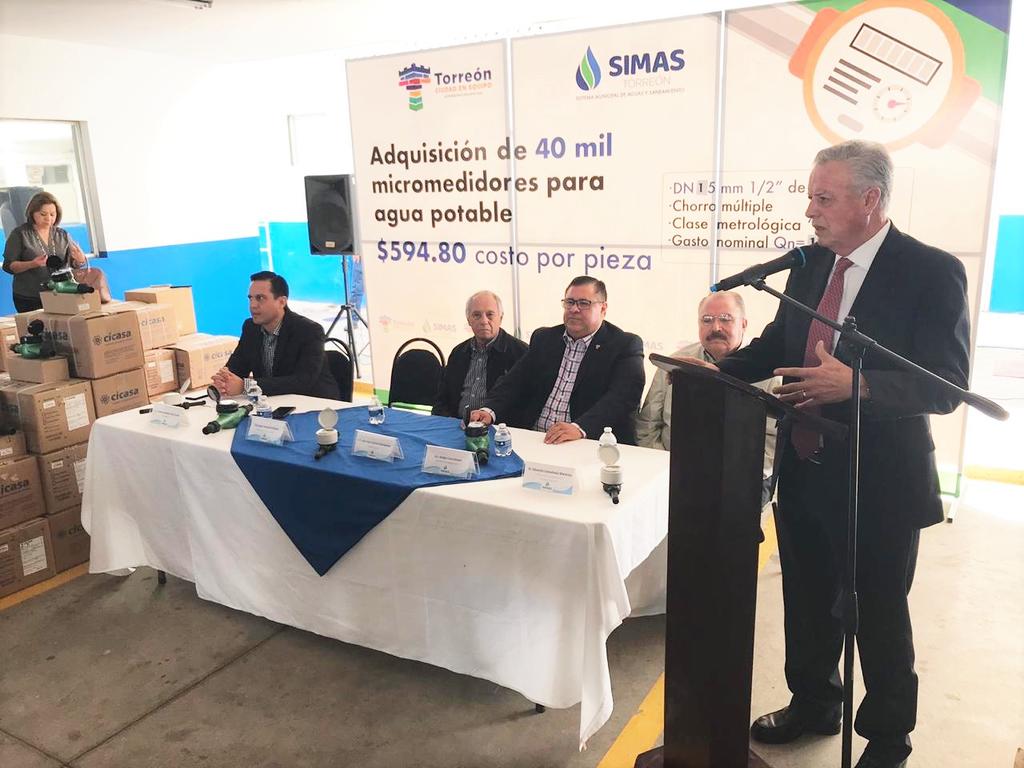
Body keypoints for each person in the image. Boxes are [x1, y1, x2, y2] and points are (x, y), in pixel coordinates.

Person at [686, 141, 969, 768]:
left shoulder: (931, 271)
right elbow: (777, 344)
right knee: (808, 600)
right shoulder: (812, 264)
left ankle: (888, 738)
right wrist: (713, 370)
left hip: (878, 480)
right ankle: (815, 702)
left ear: (870, 200)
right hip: (805, 465)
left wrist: (859, 386)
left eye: (824, 198)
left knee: (878, 614)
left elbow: (948, 383)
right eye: (810, 196)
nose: (810, 210)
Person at [636, 290, 779, 499]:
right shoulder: (676, 363)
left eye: (726, 319)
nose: (716, 327)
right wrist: (665, 468)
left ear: (744, 324)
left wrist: (732, 477)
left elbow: (773, 444)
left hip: (739, 481)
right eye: (707, 320)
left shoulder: (768, 373)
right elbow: (648, 425)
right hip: (673, 474)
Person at [470, 275, 645, 445]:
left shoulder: (624, 345)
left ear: (603, 309)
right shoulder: (545, 338)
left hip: (586, 442)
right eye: (570, 302)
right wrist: (489, 410)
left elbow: (622, 398)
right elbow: (514, 381)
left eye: (584, 303)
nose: (574, 309)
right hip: (535, 438)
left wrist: (580, 428)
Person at [212, 271, 340, 400]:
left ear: (281, 302)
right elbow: (237, 367)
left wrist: (246, 386)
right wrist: (224, 379)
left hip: (314, 403)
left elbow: (303, 381)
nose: (253, 305)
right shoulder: (251, 327)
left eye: (260, 298)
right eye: (250, 298)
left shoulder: (309, 330)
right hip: (270, 403)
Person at [2, 191, 111, 312]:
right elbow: (8, 266)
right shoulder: (20, 234)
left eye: (52, 214)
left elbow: (73, 264)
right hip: (30, 297)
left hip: (61, 294)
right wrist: (32, 264)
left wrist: (80, 260)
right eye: (43, 214)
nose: (48, 218)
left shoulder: (62, 234)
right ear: (32, 213)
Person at [431, 290, 528, 420]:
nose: (484, 321)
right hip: (455, 425)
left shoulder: (520, 353)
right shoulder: (458, 353)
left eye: (490, 314)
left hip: (498, 428)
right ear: (468, 320)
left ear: (501, 318)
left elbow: (525, 404)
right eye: (477, 315)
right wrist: (447, 423)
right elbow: (442, 400)